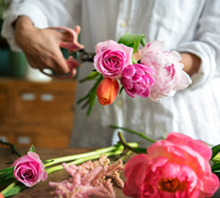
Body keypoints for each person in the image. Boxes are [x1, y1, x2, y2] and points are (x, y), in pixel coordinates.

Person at [2, 0, 220, 148]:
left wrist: (159, 65)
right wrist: (25, 27)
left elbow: (215, 43)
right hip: (94, 134)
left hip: (178, 134)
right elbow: (47, 4)